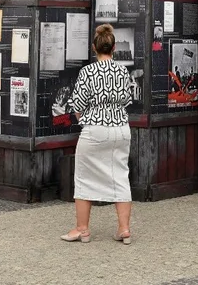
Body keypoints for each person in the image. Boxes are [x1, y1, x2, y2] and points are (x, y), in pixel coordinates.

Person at [63, 24, 134, 245]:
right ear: (113, 48)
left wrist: (83, 121)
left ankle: (82, 229)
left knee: (83, 177)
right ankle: (124, 229)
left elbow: (77, 104)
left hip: (95, 128)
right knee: (121, 176)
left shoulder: (87, 72)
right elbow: (126, 100)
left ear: (95, 47)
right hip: (121, 128)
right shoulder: (123, 71)